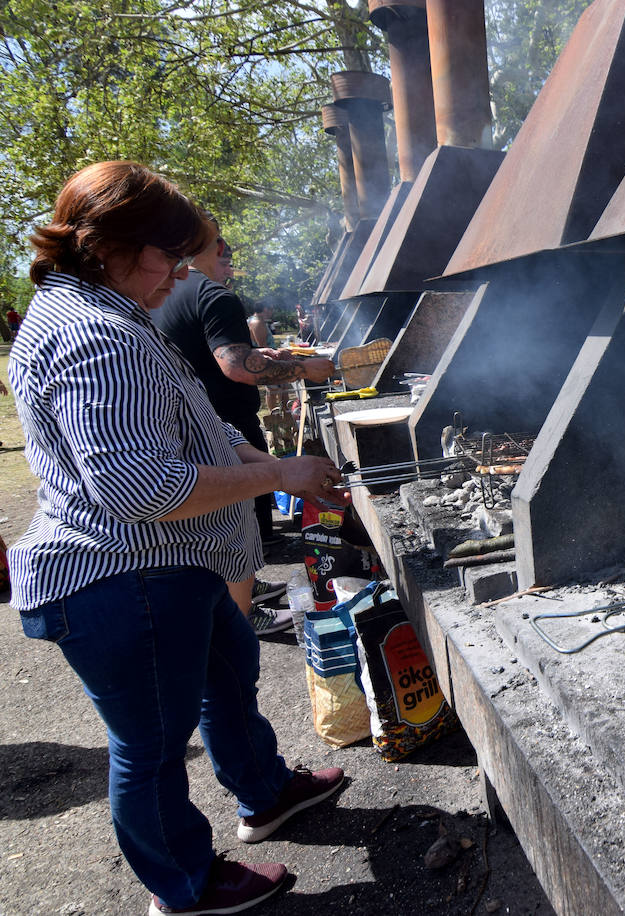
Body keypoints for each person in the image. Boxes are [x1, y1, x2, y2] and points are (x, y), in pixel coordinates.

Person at [8, 161, 346, 916]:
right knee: (153, 747)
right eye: (167, 255)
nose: (179, 272)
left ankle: (264, 794)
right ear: (106, 245)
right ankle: (186, 885)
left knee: (230, 669)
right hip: (119, 581)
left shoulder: (101, 315)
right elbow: (142, 487)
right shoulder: (99, 336)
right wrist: (277, 474)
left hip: (168, 570)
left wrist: (278, 467)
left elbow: (196, 427)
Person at [152, 218, 336, 628]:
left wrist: (266, 356)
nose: (229, 265)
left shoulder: (168, 295)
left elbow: (211, 355)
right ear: (215, 250)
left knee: (217, 518)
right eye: (225, 252)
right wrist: (306, 368)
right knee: (235, 510)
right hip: (222, 418)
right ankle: (243, 611)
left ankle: (243, 592)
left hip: (197, 423)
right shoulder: (215, 294)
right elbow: (234, 365)